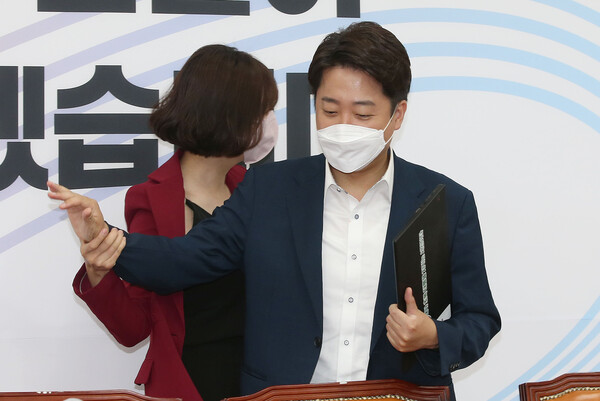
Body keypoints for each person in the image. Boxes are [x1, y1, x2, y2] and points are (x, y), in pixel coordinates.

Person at [49, 21, 500, 401]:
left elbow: (479, 319)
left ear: (397, 115)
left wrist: (434, 336)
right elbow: (185, 258)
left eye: (363, 115)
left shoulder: (445, 201)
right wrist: (106, 237)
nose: (343, 126)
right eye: (329, 110)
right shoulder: (268, 189)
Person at [68, 44, 279, 401]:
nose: (269, 122)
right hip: (190, 382)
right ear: (228, 112)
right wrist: (100, 268)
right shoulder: (150, 199)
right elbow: (133, 327)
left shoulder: (257, 190)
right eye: (263, 110)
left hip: (262, 383)